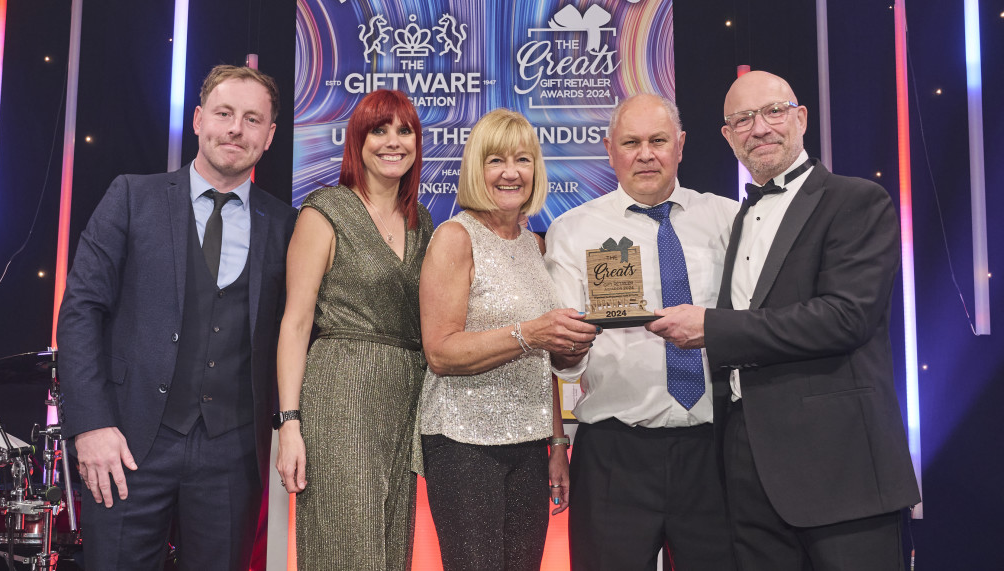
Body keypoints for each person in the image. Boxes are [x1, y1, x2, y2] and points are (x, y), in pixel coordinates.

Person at [655, 70, 921, 571]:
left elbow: (845, 317)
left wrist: (712, 329)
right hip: (746, 464)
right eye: (743, 119)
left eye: (773, 112)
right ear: (727, 136)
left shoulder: (856, 200)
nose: (760, 128)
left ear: (800, 118)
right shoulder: (738, 219)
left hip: (841, 469)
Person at [57, 65, 297, 570]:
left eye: (253, 120)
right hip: (125, 444)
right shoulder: (131, 197)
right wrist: (91, 425)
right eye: (224, 113)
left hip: (232, 455)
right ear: (197, 119)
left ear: (270, 136)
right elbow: (80, 311)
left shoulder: (286, 224)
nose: (236, 129)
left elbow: (297, 332)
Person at [544, 94, 738, 571]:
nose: (645, 154)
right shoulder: (572, 231)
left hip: (716, 450)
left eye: (658, 140)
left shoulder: (729, 220)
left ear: (681, 145)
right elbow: (566, 361)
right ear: (610, 150)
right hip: (615, 453)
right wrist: (566, 345)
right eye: (631, 142)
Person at [417, 108, 597, 571]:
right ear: (477, 169)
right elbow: (440, 351)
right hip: (463, 443)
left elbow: (543, 361)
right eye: (495, 160)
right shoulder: (455, 237)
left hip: (531, 443)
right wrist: (528, 334)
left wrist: (557, 443)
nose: (510, 172)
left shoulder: (536, 246)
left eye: (522, 159)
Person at [273, 89, 432, 570]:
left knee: (390, 550)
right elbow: (296, 322)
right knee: (346, 546)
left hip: (404, 400)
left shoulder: (421, 222)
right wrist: (290, 423)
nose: (393, 141)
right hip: (340, 392)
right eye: (379, 130)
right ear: (357, 141)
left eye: (404, 131)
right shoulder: (326, 210)